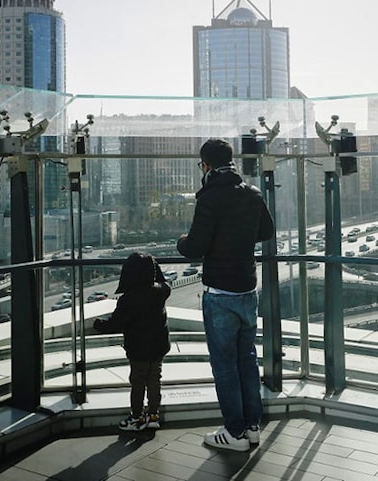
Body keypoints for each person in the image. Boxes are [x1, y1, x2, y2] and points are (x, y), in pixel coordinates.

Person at [177, 138, 275, 452]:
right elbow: (266, 232)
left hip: (220, 292)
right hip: (248, 290)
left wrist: (181, 240)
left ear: (205, 165)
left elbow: (194, 247)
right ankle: (252, 427)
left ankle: (233, 432)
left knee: (224, 366)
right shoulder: (253, 193)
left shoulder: (210, 198)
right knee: (247, 360)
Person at [94, 252, 171, 431]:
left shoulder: (128, 299)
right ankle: (153, 415)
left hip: (138, 349)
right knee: (154, 380)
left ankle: (136, 417)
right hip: (158, 346)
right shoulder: (161, 291)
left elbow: (116, 323)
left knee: (138, 382)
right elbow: (164, 281)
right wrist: (154, 263)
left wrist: (100, 325)